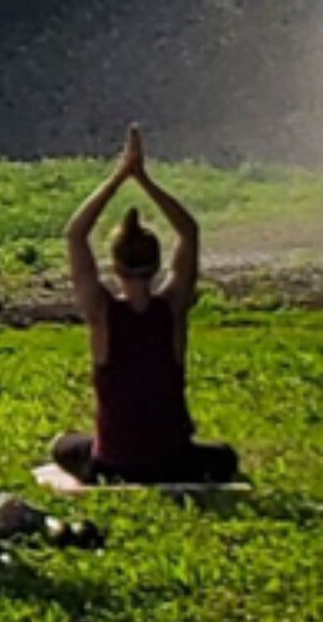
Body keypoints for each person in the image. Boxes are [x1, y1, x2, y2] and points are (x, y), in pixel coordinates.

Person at [52, 125, 239, 484]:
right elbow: (189, 231)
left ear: (115, 266)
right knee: (225, 457)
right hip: (173, 460)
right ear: (156, 265)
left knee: (62, 445)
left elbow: (75, 234)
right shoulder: (171, 308)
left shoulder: (102, 313)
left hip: (114, 463)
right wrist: (145, 180)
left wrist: (119, 177)